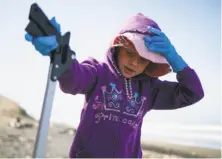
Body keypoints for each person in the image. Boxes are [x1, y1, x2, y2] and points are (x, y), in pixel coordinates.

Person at [25, 13, 204, 158]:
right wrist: (60, 53)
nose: (134, 63)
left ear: (150, 63)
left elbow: (192, 93)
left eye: (143, 59)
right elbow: (73, 80)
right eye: (129, 53)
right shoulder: (97, 73)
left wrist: (175, 59)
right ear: (117, 48)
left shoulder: (151, 89)